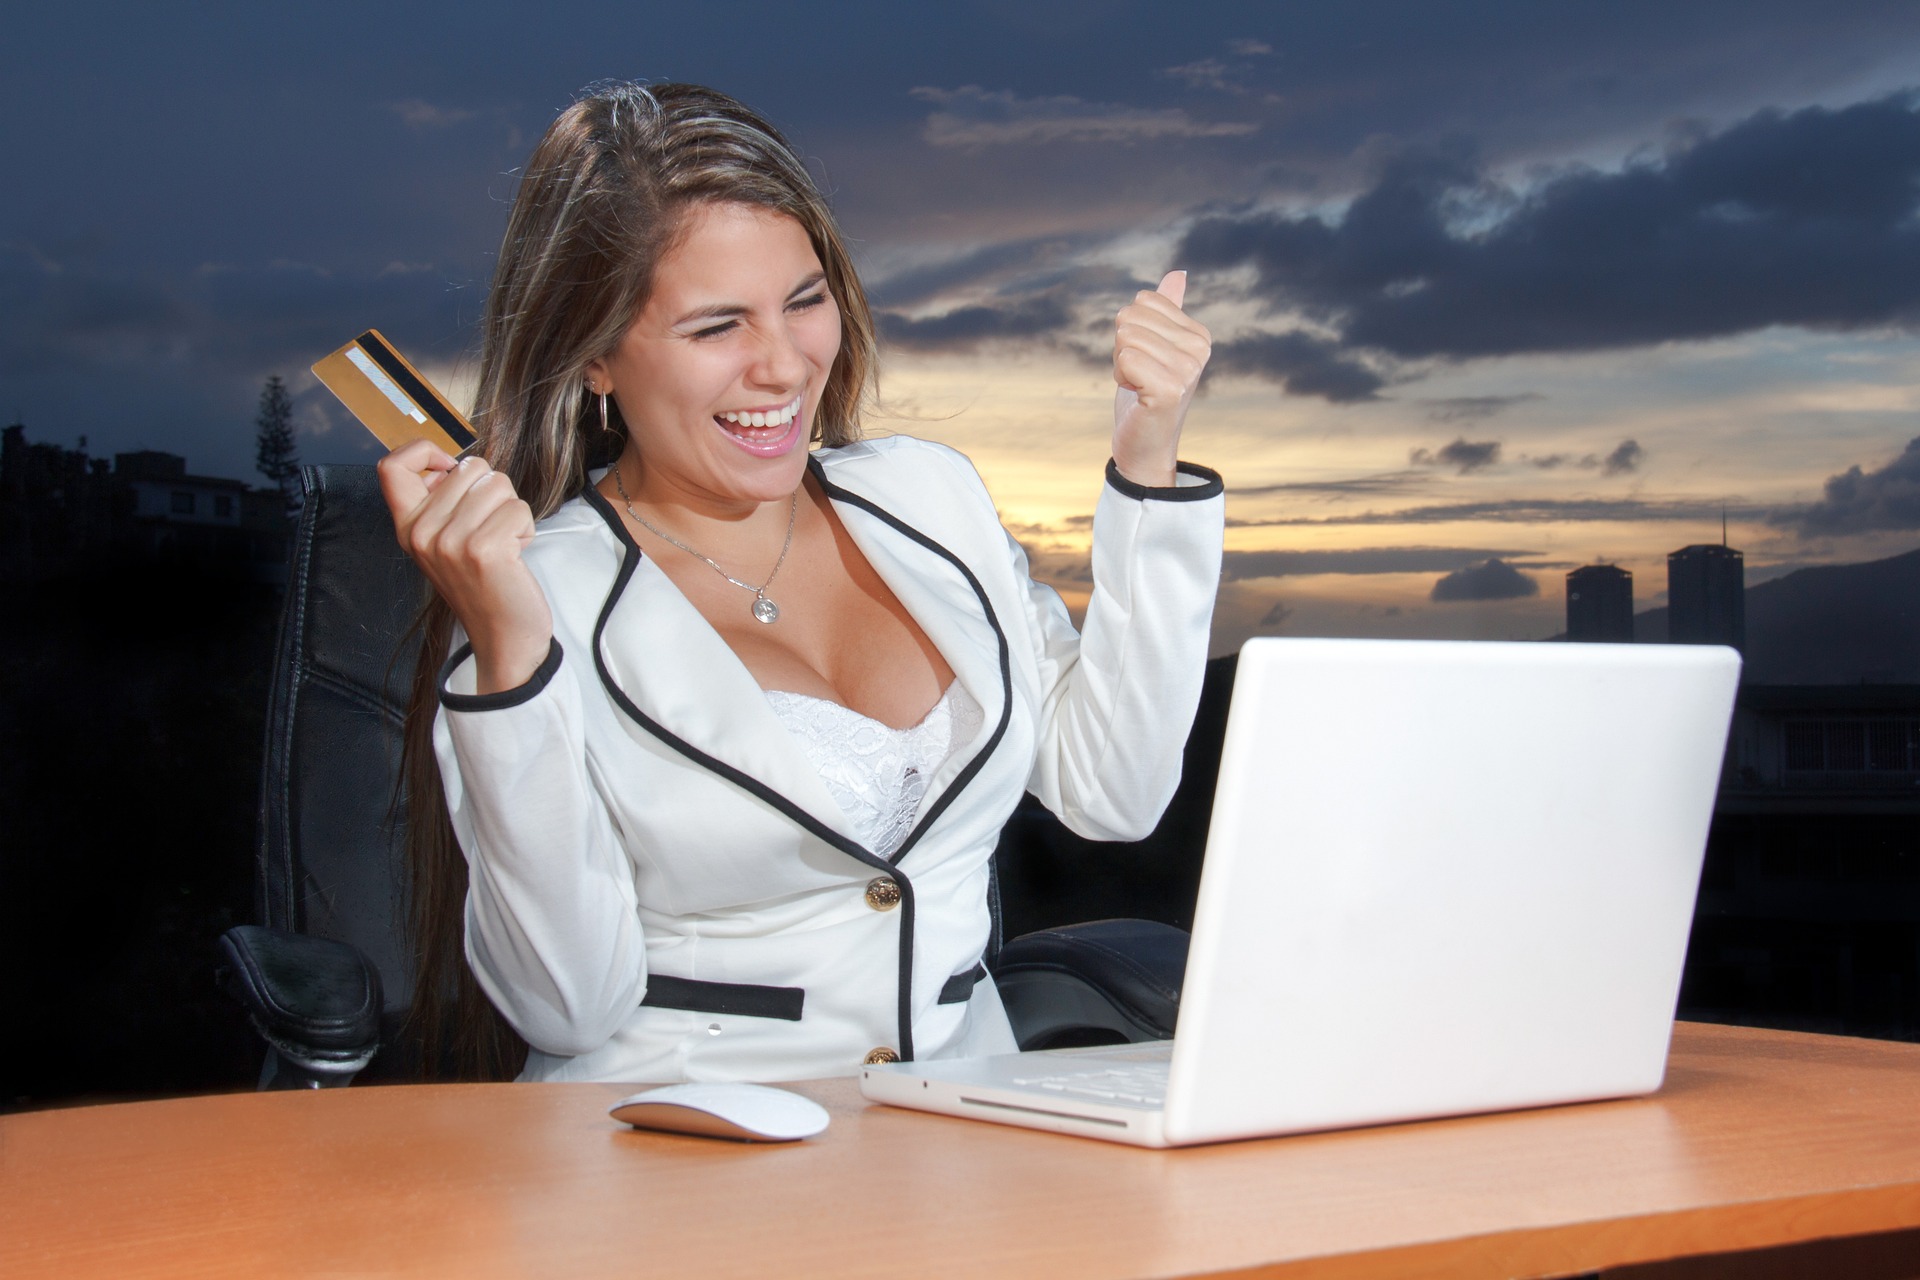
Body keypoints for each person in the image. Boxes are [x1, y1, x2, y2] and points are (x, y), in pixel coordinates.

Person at [378, 81, 1224, 1084]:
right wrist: (510, 662)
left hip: (969, 1129)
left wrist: (1148, 459)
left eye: (804, 300)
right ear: (596, 354)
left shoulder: (928, 495)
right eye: (716, 325)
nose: (782, 366)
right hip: (674, 1151)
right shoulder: (534, 595)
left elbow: (1113, 789)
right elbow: (565, 1005)